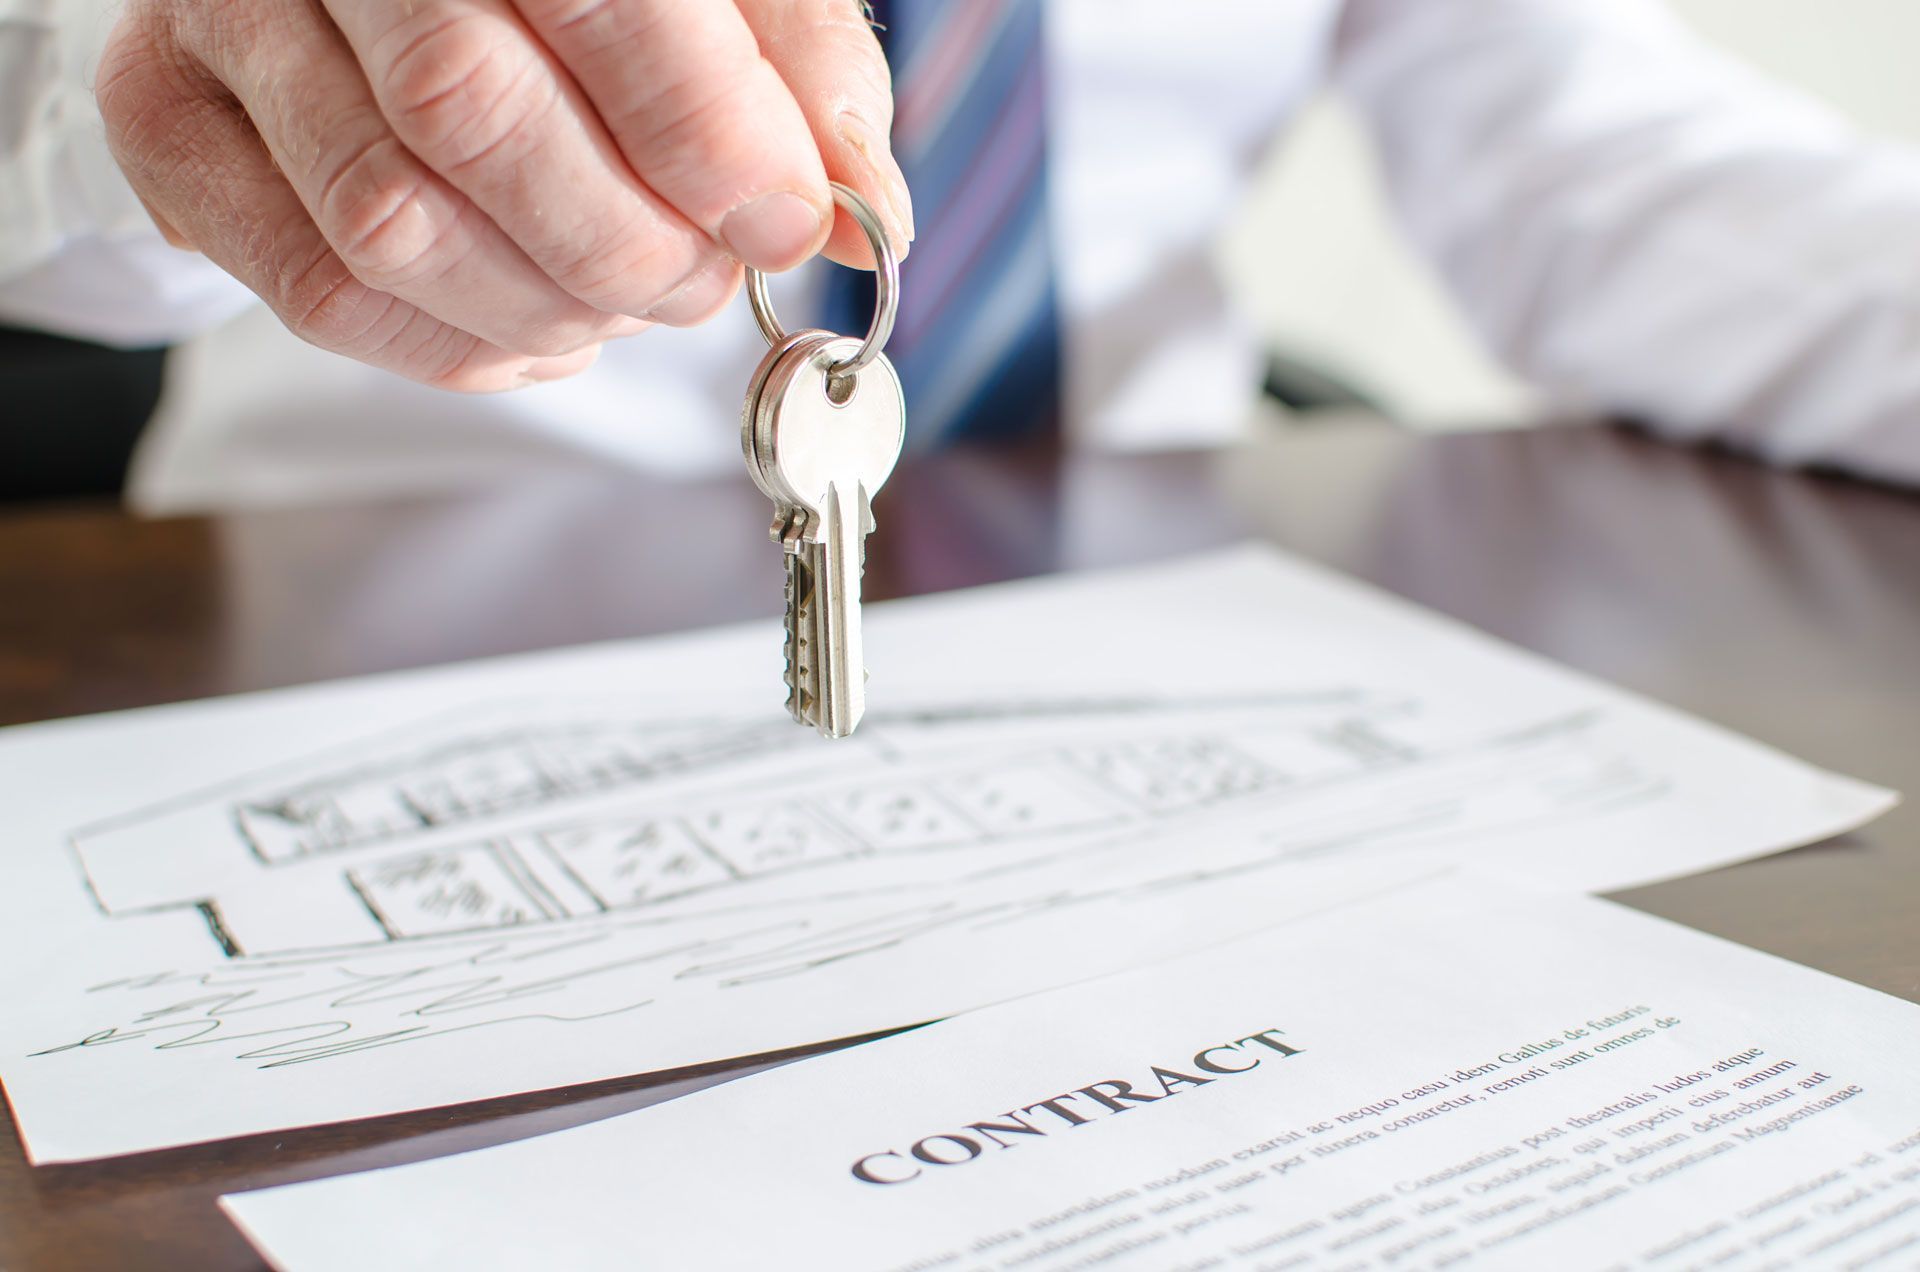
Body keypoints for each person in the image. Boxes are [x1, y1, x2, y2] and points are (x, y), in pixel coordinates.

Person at [6, 0, 1920, 512]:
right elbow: (68, 165)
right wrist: (170, 92)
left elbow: (1603, 163)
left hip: (1141, 601)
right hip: (382, 594)